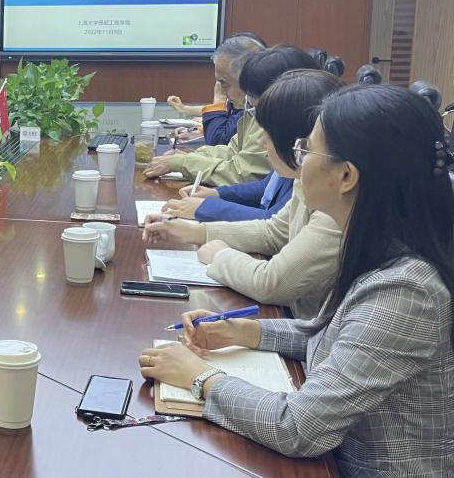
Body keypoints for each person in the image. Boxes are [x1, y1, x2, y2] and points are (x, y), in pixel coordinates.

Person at [139, 85, 454, 477]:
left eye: (307, 149)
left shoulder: (407, 291)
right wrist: (243, 331)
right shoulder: (380, 246)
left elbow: (299, 428)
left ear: (346, 175)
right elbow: (333, 336)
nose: (298, 161)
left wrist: (199, 377)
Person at [144, 69, 345, 318]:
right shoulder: (306, 181)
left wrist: (220, 256)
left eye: (269, 135)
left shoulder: (334, 207)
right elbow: (275, 232)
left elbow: (272, 284)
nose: (262, 143)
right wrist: (194, 231)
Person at [145, 45, 315, 187]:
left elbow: (243, 174)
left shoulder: (272, 115)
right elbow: (232, 151)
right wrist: (188, 158)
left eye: (224, 83)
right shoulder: (255, 108)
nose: (222, 90)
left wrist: (183, 163)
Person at [169, 32, 265, 144]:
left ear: (248, 77)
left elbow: (218, 141)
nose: (220, 88)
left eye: (223, 82)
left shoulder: (260, 109)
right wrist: (201, 130)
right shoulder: (244, 102)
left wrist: (219, 99)